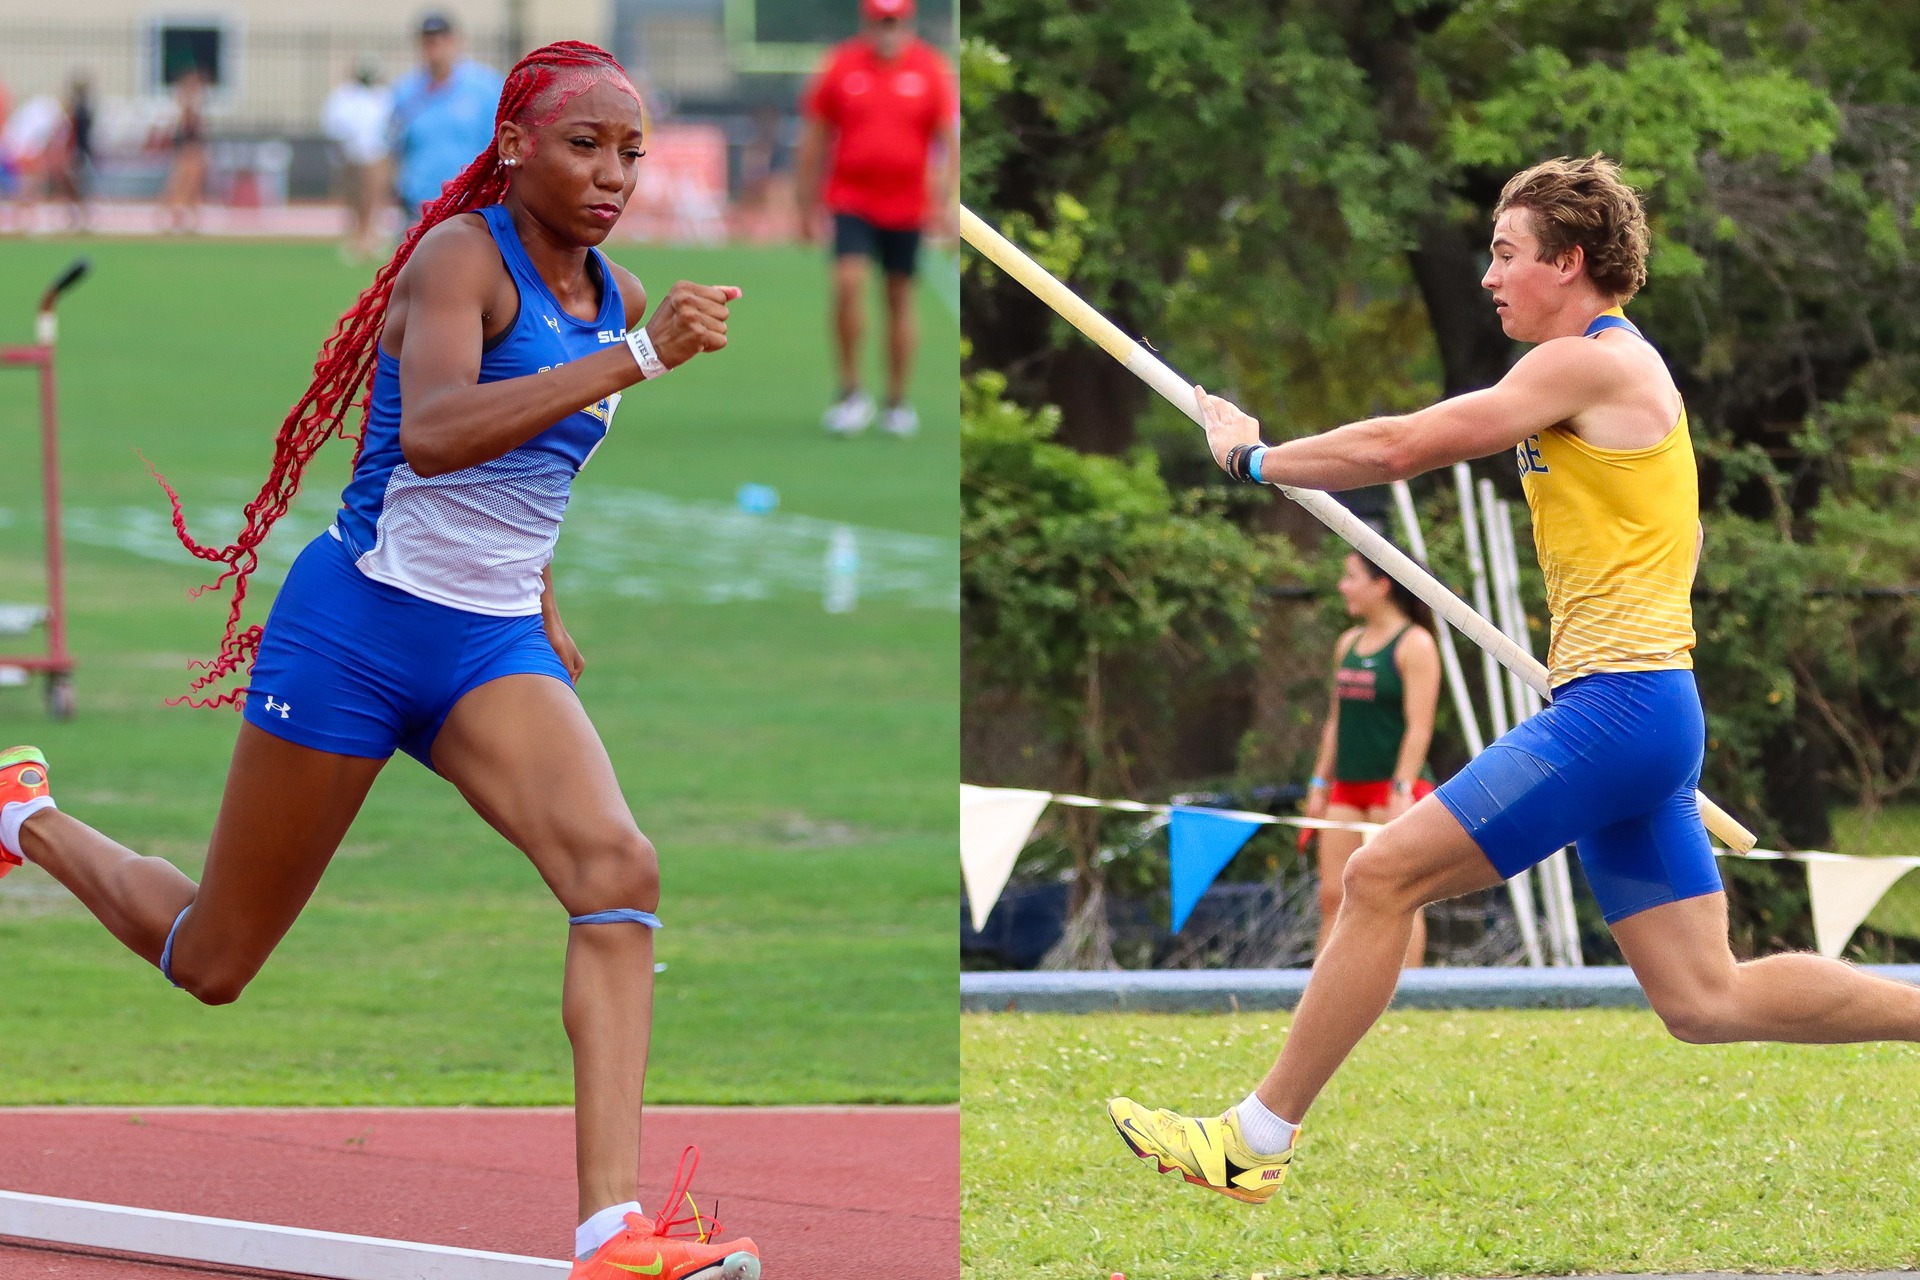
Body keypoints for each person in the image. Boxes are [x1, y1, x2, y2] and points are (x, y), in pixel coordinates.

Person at [0, 41, 760, 1280]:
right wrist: (643, 357)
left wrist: (541, 596)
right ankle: (25, 815)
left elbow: (536, 465)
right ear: (513, 146)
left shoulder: (613, 293)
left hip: (489, 644)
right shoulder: (459, 258)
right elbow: (441, 434)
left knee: (618, 866)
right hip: (356, 629)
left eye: (631, 150)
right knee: (214, 960)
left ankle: (612, 1231)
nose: (613, 173)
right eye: (584, 144)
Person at [1107, 153, 1920, 1205]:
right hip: (1643, 703)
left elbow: (1403, 446)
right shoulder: (1620, 377)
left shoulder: (1590, 362)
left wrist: (1252, 458)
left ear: (1568, 261)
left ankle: (1253, 1136)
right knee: (1704, 999)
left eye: (1506, 253)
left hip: (1621, 708)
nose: (1488, 277)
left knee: (1378, 877)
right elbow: (1673, 534)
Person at [795, 0, 957, 438]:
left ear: (907, 22)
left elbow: (948, 141)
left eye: (894, 22)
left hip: (907, 205)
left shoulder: (929, 69)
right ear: (866, 22)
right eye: (880, 22)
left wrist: (946, 202)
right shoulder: (841, 65)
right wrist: (805, 203)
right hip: (852, 199)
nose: (887, 30)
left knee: (899, 296)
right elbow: (815, 136)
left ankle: (897, 401)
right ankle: (851, 392)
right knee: (848, 284)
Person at [1299, 551, 1440, 967]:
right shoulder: (1348, 643)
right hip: (1347, 787)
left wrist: (1401, 789)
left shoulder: (1415, 643)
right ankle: (1325, 992)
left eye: (1351, 577)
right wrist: (1318, 783)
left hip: (1392, 789)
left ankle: (1408, 990)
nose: (1342, 587)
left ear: (1382, 584)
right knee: (1333, 896)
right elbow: (1335, 721)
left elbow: (1420, 726)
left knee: (1398, 897)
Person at [390, 12, 503, 224]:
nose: (435, 47)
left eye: (441, 39)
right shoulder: (405, 91)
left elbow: (499, 143)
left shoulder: (485, 88)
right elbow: (394, 146)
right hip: (418, 202)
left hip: (468, 201)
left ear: (455, 41)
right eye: (428, 41)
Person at [323, 61, 395, 261]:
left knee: (374, 195)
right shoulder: (343, 96)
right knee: (355, 197)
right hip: (351, 155)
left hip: (376, 153)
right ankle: (357, 236)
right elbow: (334, 124)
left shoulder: (383, 96)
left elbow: (390, 124)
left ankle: (371, 235)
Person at [161, 68, 209, 234]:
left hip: (193, 152)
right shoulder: (186, 110)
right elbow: (186, 130)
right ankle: (176, 221)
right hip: (188, 152)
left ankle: (190, 222)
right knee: (181, 188)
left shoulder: (194, 109)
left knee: (192, 189)